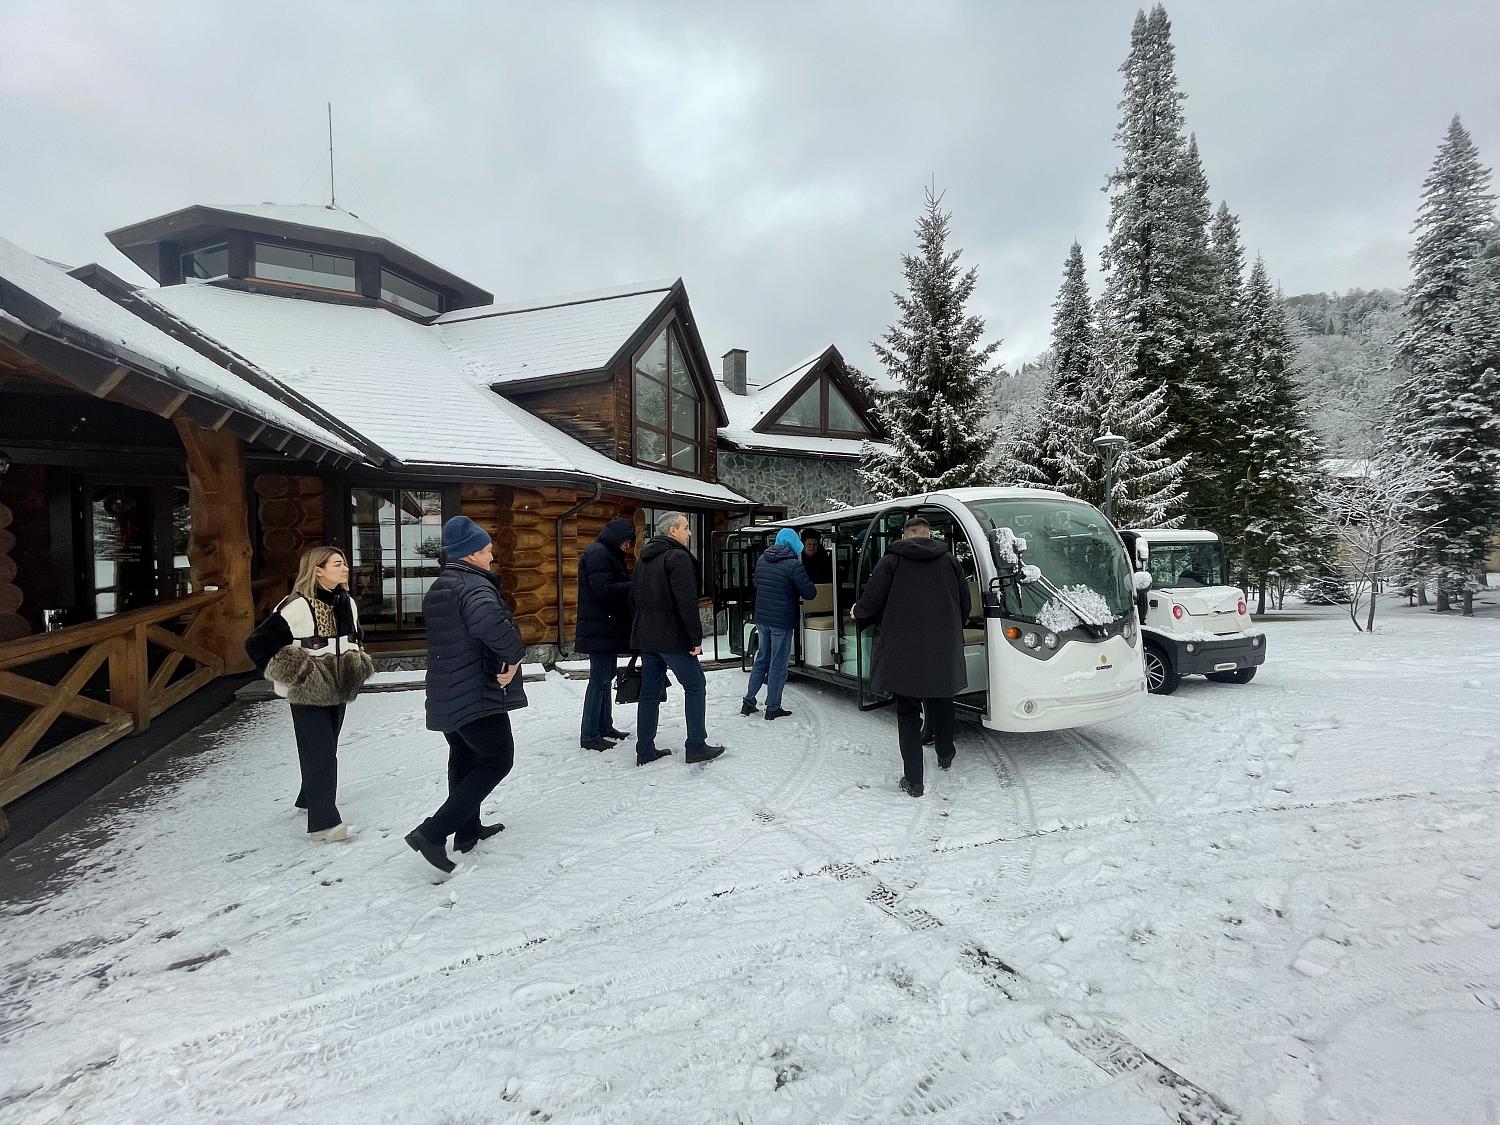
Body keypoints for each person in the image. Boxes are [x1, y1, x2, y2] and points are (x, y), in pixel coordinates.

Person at [406, 516, 527, 874]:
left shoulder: (444, 584)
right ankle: (433, 832)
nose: (492, 557)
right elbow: (490, 624)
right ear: (472, 553)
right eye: (488, 551)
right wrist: (514, 656)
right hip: (477, 690)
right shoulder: (474, 586)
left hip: (450, 689)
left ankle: (468, 830)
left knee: (464, 756)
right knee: (496, 758)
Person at [244, 546, 374, 842]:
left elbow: (355, 638)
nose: (345, 569)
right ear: (318, 570)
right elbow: (257, 645)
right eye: (338, 564)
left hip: (340, 687)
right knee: (321, 754)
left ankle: (308, 798)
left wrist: (358, 663)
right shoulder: (295, 606)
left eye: (344, 564)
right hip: (308, 692)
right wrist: (297, 672)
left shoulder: (347, 602)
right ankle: (324, 825)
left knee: (326, 748)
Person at [850, 516, 970, 798]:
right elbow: (965, 603)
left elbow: (872, 599)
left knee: (907, 713)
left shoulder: (891, 560)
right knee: (942, 699)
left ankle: (914, 781)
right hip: (943, 644)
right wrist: (952, 629)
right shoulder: (950, 561)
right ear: (930, 535)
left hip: (903, 649)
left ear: (905, 535)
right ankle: (945, 754)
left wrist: (858, 611)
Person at [630, 511, 725, 766]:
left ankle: (645, 749)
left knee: (649, 693)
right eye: (685, 527)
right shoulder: (677, 557)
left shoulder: (644, 558)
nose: (689, 532)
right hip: (672, 637)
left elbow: (634, 598)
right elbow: (686, 603)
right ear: (672, 530)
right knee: (695, 685)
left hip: (647, 636)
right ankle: (696, 746)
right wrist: (695, 638)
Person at [576, 516, 637, 751]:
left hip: (605, 627)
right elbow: (604, 591)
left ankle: (604, 726)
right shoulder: (599, 553)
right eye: (627, 542)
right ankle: (590, 734)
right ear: (618, 539)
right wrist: (634, 585)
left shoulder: (606, 553)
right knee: (599, 681)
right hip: (599, 628)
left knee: (606, 676)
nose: (628, 547)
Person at [742, 527, 816, 720]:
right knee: (778, 664)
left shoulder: (762, 559)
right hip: (781, 621)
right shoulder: (793, 565)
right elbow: (810, 593)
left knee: (761, 659)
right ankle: (773, 707)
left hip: (762, 618)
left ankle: (748, 702)